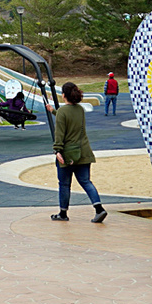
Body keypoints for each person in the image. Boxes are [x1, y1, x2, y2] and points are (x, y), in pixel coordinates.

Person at [52, 82, 106, 224]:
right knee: (86, 181)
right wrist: (53, 111)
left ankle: (63, 212)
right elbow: (69, 117)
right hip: (84, 152)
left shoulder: (63, 112)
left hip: (68, 154)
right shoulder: (80, 110)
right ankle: (99, 208)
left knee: (64, 184)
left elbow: (60, 133)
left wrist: (57, 150)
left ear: (63, 95)